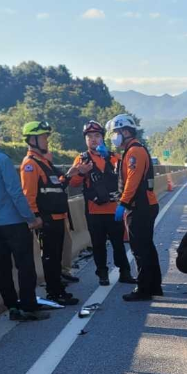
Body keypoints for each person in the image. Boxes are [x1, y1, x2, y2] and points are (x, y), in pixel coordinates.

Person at [0, 118, 50, 322]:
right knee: (25, 266)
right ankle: (29, 306)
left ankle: (12, 307)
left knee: (2, 267)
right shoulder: (1, 159)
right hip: (13, 222)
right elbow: (16, 193)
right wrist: (31, 218)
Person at [19, 119, 79, 307]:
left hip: (57, 217)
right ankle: (54, 293)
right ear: (32, 140)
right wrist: (35, 217)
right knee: (50, 258)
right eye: (43, 137)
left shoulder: (44, 163)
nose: (46, 140)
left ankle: (58, 289)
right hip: (46, 220)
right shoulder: (30, 165)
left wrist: (69, 176)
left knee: (56, 257)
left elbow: (57, 186)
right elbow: (29, 195)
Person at [68, 120, 135, 287]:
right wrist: (81, 173)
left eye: (97, 135)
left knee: (118, 244)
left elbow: (126, 177)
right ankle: (102, 274)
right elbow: (73, 183)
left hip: (114, 209)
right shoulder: (81, 159)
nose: (93, 139)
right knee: (98, 245)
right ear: (85, 140)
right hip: (94, 211)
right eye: (89, 136)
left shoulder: (114, 157)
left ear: (102, 138)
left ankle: (125, 272)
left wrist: (110, 161)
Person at [106, 114, 163, 302]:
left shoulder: (135, 152)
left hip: (140, 207)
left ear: (125, 131)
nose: (114, 137)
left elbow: (133, 181)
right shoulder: (131, 151)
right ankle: (153, 286)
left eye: (115, 132)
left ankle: (144, 288)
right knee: (147, 247)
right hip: (142, 205)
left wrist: (123, 204)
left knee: (139, 249)